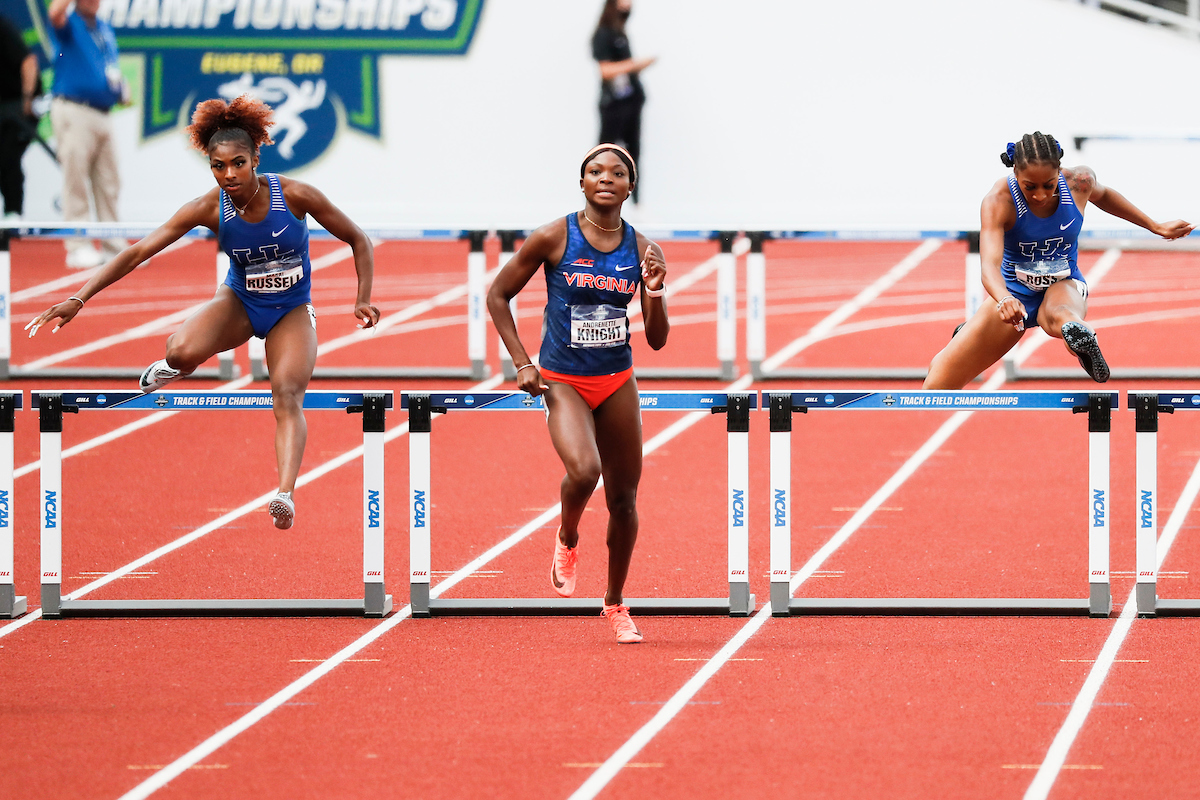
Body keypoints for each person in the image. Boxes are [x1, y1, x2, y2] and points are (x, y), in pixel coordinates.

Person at [25, 96, 381, 530]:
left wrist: (362, 297)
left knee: (286, 392)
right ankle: (176, 367)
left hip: (291, 309)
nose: (228, 174)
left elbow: (358, 239)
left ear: (255, 160)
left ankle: (284, 494)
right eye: (217, 166)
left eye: (237, 163)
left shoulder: (295, 195)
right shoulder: (210, 207)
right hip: (240, 303)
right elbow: (138, 251)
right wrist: (78, 299)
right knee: (179, 350)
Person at [486, 143, 667, 643]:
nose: (604, 178)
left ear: (630, 186)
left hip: (616, 379)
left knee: (625, 498)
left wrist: (652, 290)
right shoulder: (553, 236)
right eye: (594, 171)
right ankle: (567, 535)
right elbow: (497, 295)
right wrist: (522, 361)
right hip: (562, 377)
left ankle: (615, 604)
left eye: (616, 172)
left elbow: (656, 339)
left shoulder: (643, 248)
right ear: (582, 183)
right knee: (585, 470)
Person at [924, 131, 1193, 389]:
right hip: (1014, 294)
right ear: (1015, 172)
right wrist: (1004, 299)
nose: (1040, 195)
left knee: (1060, 314)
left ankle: (1077, 334)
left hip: (1065, 284)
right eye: (1030, 187)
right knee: (937, 383)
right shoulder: (999, 201)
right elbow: (989, 266)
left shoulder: (1079, 182)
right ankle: (1053, 327)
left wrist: (1154, 226)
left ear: (1059, 173)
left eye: (1049, 185)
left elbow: (1105, 195)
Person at [48, 0, 128, 268]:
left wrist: (120, 89)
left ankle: (113, 246)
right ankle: (77, 246)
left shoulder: (103, 27)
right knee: (76, 177)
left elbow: (108, 65)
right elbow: (55, 13)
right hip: (74, 108)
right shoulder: (70, 22)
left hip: (104, 111)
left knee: (110, 181)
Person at [592, 0, 655, 204]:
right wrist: (634, 65)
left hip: (631, 102)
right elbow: (605, 71)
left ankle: (636, 204)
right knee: (605, 154)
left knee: (633, 153)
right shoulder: (603, 34)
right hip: (613, 106)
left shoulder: (621, 33)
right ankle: (596, 203)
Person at [0, 13, 40, 220]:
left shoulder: (2, 27)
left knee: (8, 157)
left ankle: (13, 215)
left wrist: (26, 101)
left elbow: (29, 63)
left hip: (21, 105)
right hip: (4, 106)